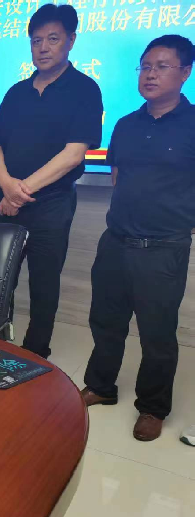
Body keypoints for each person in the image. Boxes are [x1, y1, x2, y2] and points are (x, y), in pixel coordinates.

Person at [81, 35, 194, 442]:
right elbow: (117, 177)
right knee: (105, 321)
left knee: (157, 333)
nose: (150, 74)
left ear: (185, 72)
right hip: (116, 241)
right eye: (145, 66)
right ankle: (101, 386)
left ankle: (152, 407)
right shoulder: (126, 124)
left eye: (162, 66)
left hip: (163, 248)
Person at [0, 4, 103, 359]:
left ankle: (34, 355)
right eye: (36, 40)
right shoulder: (16, 91)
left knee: (44, 284)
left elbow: (73, 154)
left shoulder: (84, 89)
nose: (43, 47)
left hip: (51, 204)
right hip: (5, 197)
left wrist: (17, 193)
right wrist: (7, 185)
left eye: (53, 39)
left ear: (71, 40)